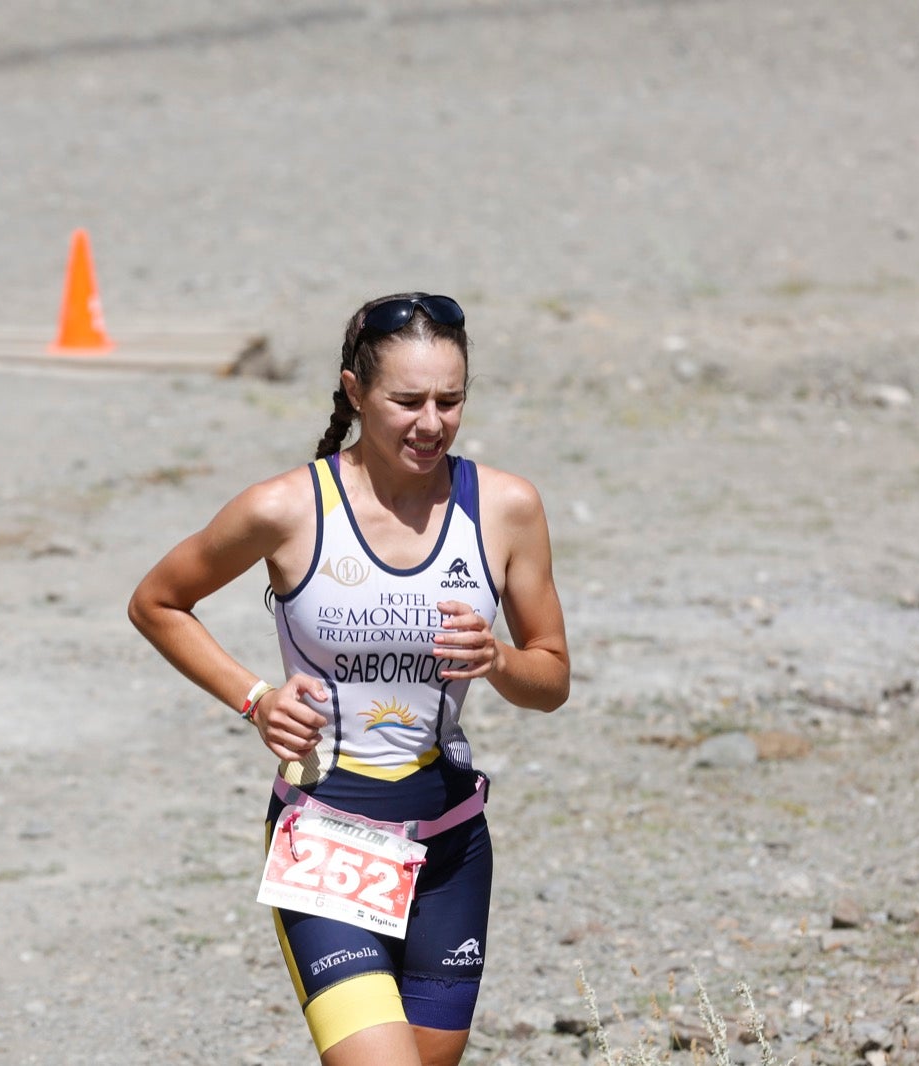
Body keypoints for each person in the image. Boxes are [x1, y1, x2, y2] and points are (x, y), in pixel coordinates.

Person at [128, 292, 570, 1065]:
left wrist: (499, 661)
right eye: (406, 401)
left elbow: (553, 678)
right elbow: (158, 602)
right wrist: (256, 697)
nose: (430, 423)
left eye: (450, 400)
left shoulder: (505, 507)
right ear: (354, 391)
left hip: (450, 847)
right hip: (327, 839)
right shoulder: (285, 508)